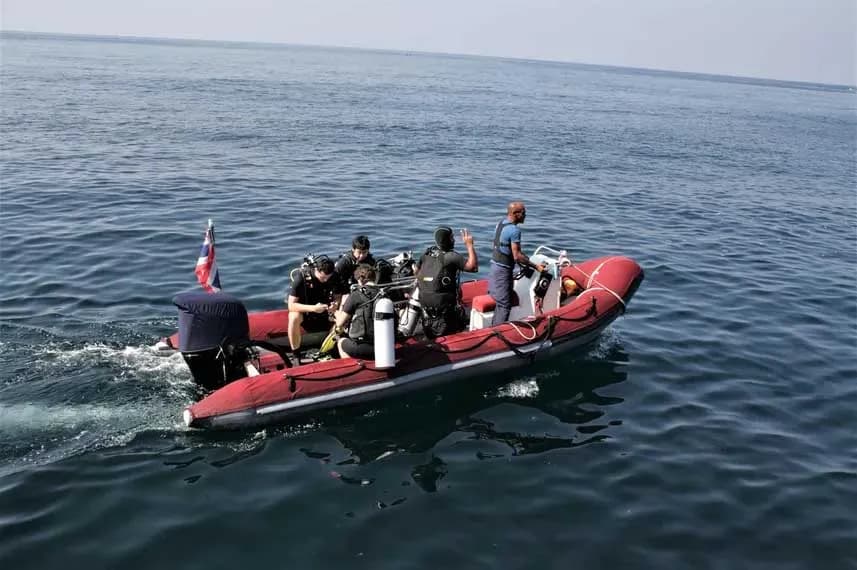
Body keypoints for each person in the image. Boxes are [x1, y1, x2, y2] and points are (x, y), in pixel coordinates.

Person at [415, 226, 478, 338]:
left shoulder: (426, 254)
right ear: (447, 240)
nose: (453, 240)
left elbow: (416, 271)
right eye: (452, 238)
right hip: (445, 315)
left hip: (426, 313)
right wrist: (469, 245)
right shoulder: (451, 256)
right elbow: (473, 267)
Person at [489, 202, 544, 326]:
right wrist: (536, 266)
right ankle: (497, 333)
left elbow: (505, 248)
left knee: (501, 301)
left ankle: (494, 327)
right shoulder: (514, 230)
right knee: (504, 304)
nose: (525, 215)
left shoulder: (500, 224)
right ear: (515, 213)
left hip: (494, 268)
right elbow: (517, 256)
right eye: (523, 213)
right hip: (503, 271)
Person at [286, 256, 337, 365]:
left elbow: (339, 294)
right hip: (308, 313)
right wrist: (313, 308)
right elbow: (291, 305)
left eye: (328, 277)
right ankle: (296, 353)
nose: (326, 280)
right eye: (323, 278)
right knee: (293, 316)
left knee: (343, 316)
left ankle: (328, 349)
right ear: (316, 270)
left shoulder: (333, 276)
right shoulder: (301, 278)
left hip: (326, 313)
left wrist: (335, 304)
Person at [335, 264, 378, 359]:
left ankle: (353, 367)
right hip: (384, 345)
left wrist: (337, 312)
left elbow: (339, 323)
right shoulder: (383, 294)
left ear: (360, 279)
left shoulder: (356, 295)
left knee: (341, 342)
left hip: (363, 347)